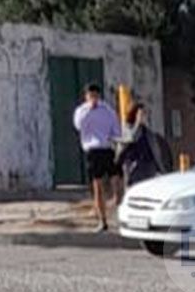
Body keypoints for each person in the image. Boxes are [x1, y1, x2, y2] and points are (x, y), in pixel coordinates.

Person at [73, 84, 123, 232]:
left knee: (117, 181)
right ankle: (102, 220)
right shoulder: (82, 111)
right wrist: (89, 109)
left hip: (107, 148)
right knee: (97, 186)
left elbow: (116, 131)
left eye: (95, 95)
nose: (93, 98)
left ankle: (120, 214)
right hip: (93, 150)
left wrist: (114, 140)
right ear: (86, 96)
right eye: (90, 95)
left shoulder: (107, 111)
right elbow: (78, 125)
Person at [116, 103, 172, 188]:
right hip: (134, 167)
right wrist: (137, 124)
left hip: (148, 167)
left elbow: (156, 152)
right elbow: (131, 139)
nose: (144, 117)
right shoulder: (127, 129)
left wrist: (161, 169)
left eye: (145, 114)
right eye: (141, 114)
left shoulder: (148, 133)